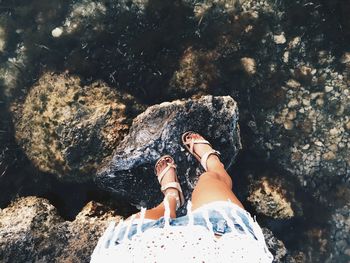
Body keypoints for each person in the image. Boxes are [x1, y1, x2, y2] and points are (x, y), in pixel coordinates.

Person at [91, 131, 274, 263]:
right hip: (220, 243)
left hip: (139, 250)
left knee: (158, 214)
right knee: (210, 179)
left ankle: (171, 197)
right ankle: (214, 165)